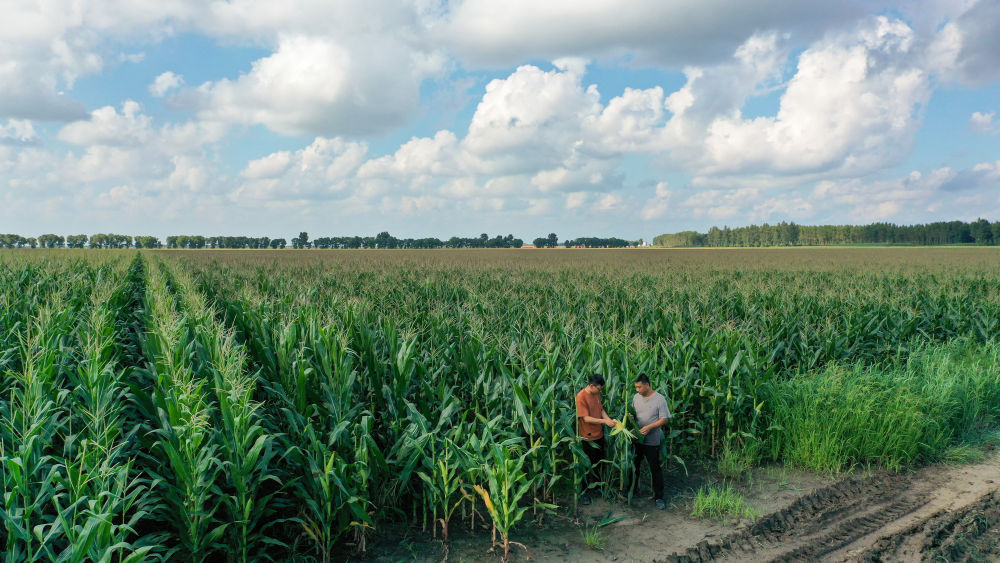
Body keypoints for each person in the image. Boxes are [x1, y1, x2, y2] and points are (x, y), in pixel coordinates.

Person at [630, 373, 672, 510]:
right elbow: (634, 413)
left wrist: (649, 427)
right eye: (636, 387)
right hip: (637, 439)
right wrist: (631, 416)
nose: (637, 390)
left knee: (655, 468)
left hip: (652, 440)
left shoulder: (659, 399)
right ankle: (632, 491)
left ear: (647, 385)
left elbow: (664, 419)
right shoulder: (636, 397)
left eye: (639, 387)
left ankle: (659, 497)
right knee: (634, 465)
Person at [576, 373, 616, 506]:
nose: (600, 391)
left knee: (599, 464)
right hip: (587, 437)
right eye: (599, 389)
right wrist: (604, 421)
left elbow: (601, 409)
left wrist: (608, 419)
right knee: (587, 466)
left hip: (599, 435)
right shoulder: (581, 396)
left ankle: (598, 488)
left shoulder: (596, 394)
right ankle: (584, 493)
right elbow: (585, 418)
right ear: (592, 386)